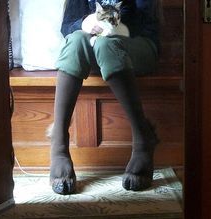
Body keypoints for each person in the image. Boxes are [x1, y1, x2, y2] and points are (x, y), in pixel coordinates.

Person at [50, 0, 160, 195]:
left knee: (106, 43)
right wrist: (85, 24)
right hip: (93, 42)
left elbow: (146, 23)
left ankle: (143, 139)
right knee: (75, 41)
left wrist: (110, 26)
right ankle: (58, 146)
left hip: (137, 43)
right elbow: (67, 26)